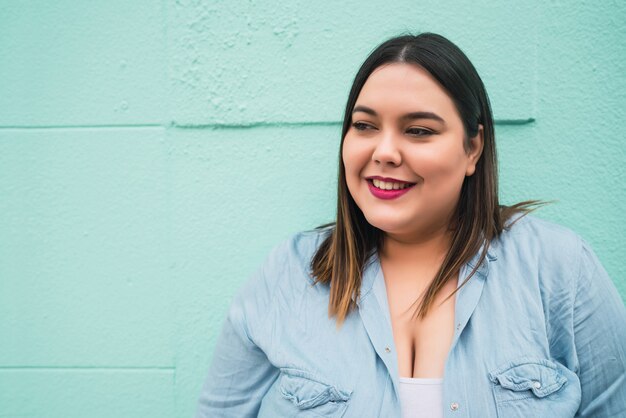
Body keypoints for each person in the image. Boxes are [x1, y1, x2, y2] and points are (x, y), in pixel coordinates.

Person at [195, 33, 626, 417]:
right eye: (364, 125)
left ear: (473, 147)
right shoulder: (287, 275)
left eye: (418, 131)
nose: (384, 151)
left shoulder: (558, 268)